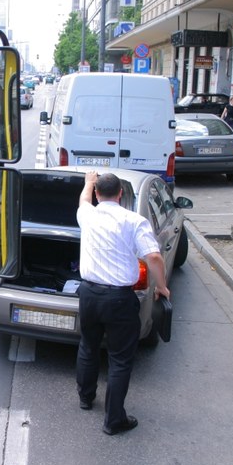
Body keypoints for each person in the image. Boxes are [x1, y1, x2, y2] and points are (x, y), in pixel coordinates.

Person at [75, 171, 170, 436]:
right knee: (119, 360)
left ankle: (85, 397)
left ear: (97, 194)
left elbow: (83, 200)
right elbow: (154, 257)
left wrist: (87, 182)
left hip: (89, 295)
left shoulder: (88, 215)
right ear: (120, 194)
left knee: (88, 346)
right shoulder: (133, 221)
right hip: (119, 299)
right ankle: (113, 420)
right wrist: (161, 286)